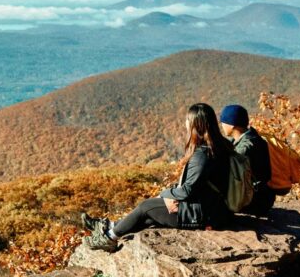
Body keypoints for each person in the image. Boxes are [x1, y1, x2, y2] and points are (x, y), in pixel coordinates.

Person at [82, 102, 232, 252]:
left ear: (195, 125)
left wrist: (165, 194)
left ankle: (109, 237)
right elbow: (200, 185)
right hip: (212, 207)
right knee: (149, 216)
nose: (185, 123)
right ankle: (112, 226)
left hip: (204, 214)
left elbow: (187, 191)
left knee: (146, 206)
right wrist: (170, 195)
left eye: (188, 120)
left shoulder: (203, 155)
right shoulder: (220, 146)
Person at [219, 104, 275, 216]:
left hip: (254, 201)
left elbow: (230, 173)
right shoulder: (253, 138)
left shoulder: (244, 148)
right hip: (263, 197)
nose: (221, 125)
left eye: (223, 122)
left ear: (232, 125)